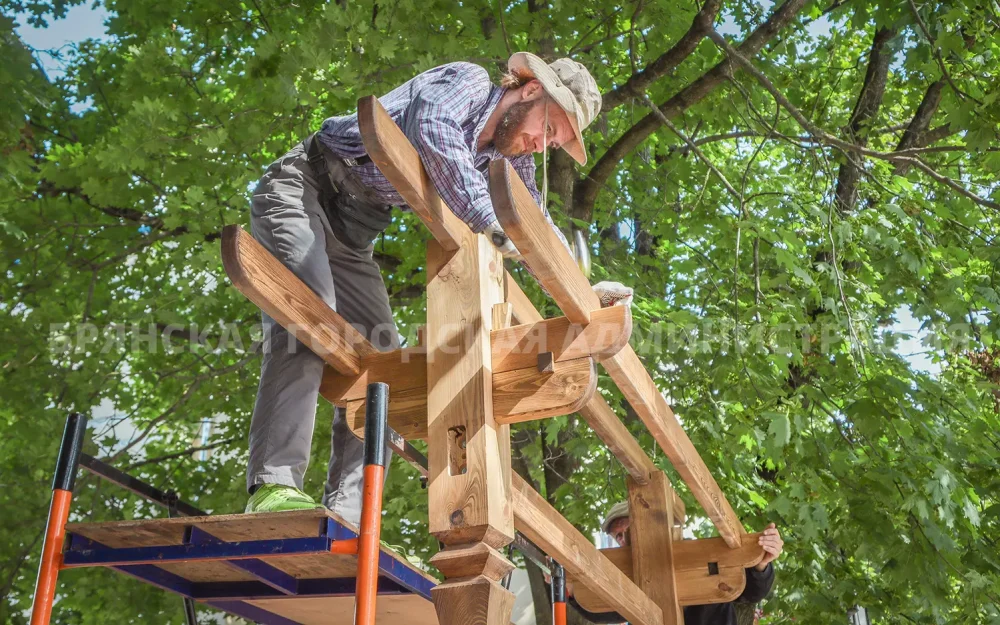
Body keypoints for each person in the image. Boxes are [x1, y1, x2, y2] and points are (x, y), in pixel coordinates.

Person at [243, 52, 629, 524]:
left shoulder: (507, 162)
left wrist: (587, 295)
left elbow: (534, 225)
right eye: (549, 130)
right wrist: (490, 221)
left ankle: (345, 513)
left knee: (382, 362)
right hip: (303, 188)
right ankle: (273, 483)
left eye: (554, 144)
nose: (540, 146)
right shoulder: (468, 83)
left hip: (351, 234)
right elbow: (434, 129)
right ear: (530, 91)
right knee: (310, 318)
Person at [571, 502, 783, 625]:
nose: (623, 539)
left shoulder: (698, 554)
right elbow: (602, 610)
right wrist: (571, 591)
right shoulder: (627, 576)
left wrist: (760, 565)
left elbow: (750, 591)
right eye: (617, 536)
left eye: (627, 530)